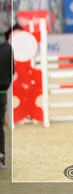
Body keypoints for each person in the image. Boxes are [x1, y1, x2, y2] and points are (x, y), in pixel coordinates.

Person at [0, 31, 14, 169]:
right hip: (3, 90)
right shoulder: (8, 48)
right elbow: (12, 69)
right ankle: (1, 156)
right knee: (0, 125)